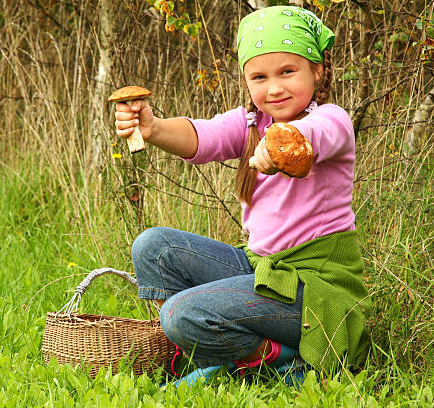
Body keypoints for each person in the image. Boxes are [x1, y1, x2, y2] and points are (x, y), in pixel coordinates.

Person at [113, 6, 371, 387]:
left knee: (180, 313)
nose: (275, 87)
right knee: (154, 247)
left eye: (288, 72)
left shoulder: (332, 120)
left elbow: (314, 137)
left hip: (315, 294)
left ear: (316, 70)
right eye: (260, 77)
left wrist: (281, 147)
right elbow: (203, 137)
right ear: (247, 82)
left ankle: (278, 359)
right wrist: (152, 128)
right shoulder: (252, 123)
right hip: (262, 271)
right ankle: (210, 351)